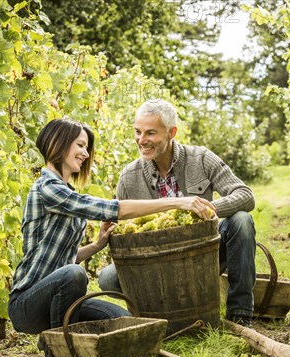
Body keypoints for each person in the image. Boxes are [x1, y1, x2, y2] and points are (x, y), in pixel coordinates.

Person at [8, 117, 215, 357]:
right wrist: (177, 201)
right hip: (26, 304)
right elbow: (111, 209)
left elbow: (62, 260)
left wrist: (97, 245)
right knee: (75, 274)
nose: (85, 153)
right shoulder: (48, 188)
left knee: (123, 320)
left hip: (57, 298)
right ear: (57, 143)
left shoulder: (65, 189)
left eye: (87, 147)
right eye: (80, 145)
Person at [98, 99, 256, 327]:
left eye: (150, 133)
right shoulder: (128, 177)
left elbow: (245, 194)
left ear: (172, 132)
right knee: (108, 277)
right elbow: (122, 224)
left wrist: (208, 210)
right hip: (156, 264)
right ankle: (155, 317)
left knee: (241, 220)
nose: (141, 140)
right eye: (138, 132)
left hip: (203, 255)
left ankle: (240, 314)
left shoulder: (201, 158)